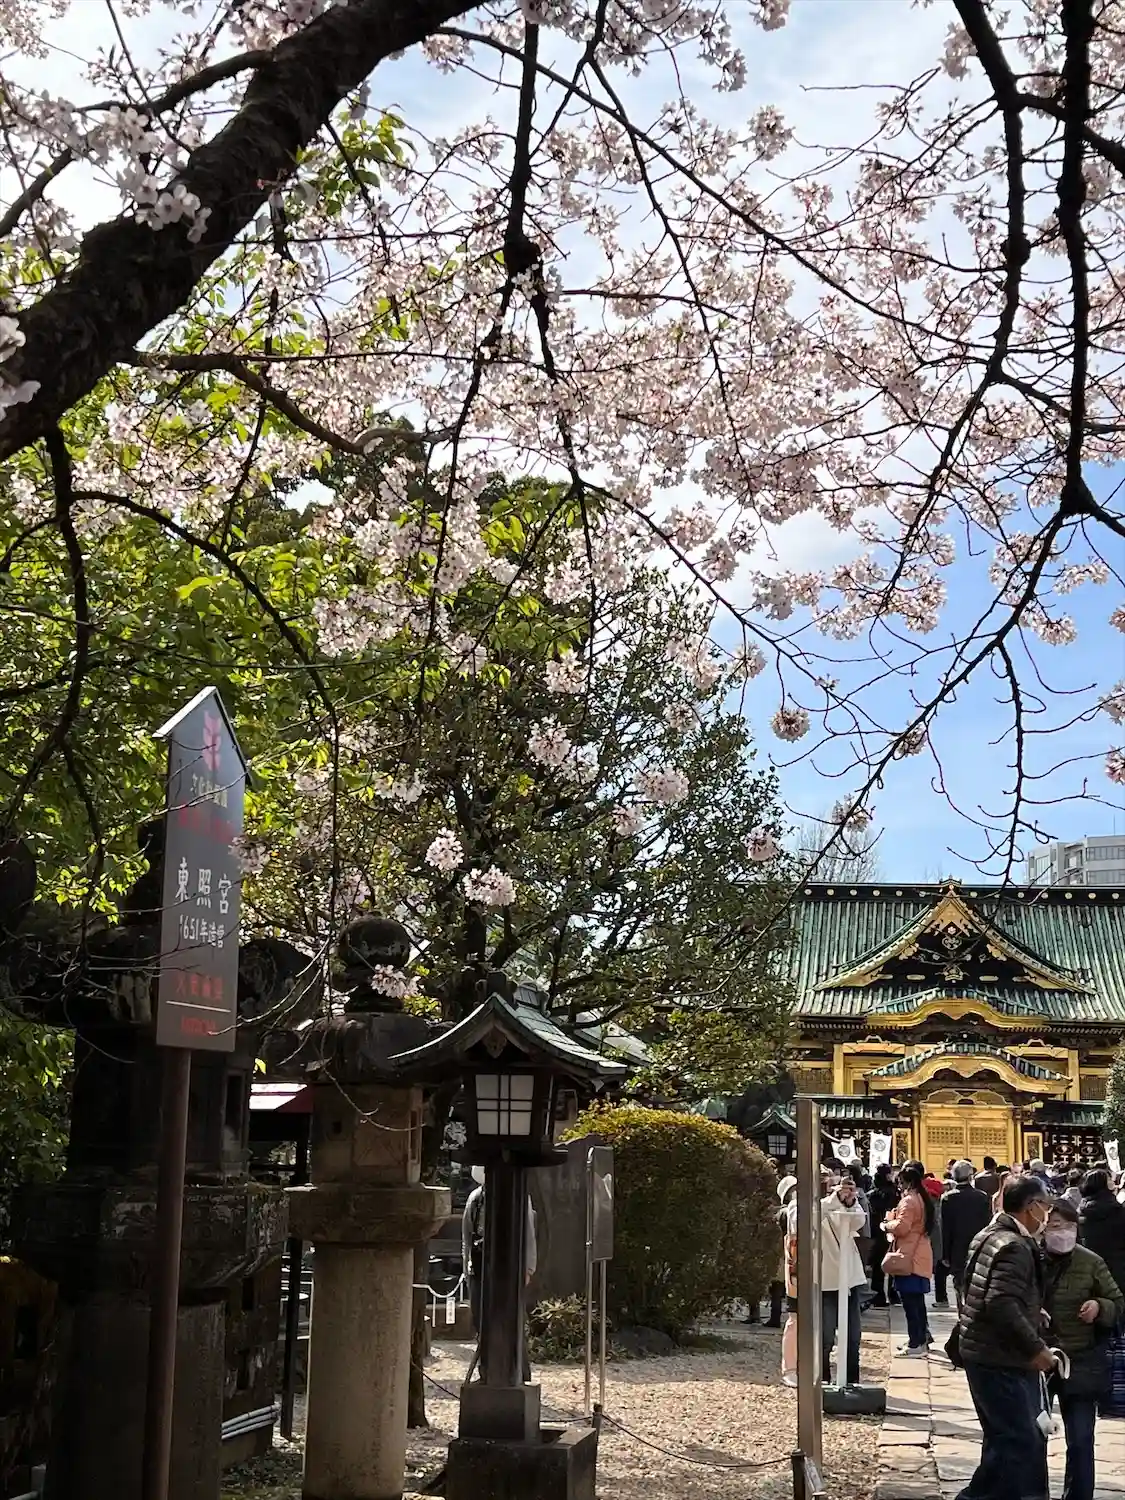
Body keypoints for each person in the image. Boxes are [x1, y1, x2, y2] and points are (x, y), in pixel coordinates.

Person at [956, 1175, 1056, 1500]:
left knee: (1002, 1440)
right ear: (1032, 1206)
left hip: (982, 1351)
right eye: (1046, 1206)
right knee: (1018, 1441)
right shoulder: (1014, 1245)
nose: (1048, 1214)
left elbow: (984, 1288)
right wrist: (1035, 1347)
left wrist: (1031, 1310)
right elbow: (999, 1301)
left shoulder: (989, 1234)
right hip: (1000, 1358)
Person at [1042, 1198, 1123, 1500]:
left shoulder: (1091, 1262)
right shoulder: (1028, 1257)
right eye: (1055, 1226)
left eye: (1069, 1227)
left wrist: (1099, 1307)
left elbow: (1118, 1302)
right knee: (1031, 1438)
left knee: (1080, 1440)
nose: (1062, 1233)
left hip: (1081, 1361)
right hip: (1037, 1360)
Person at [461, 1165, 538, 1380]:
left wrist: (528, 1267)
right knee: (482, 1322)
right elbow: (467, 1238)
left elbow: (528, 1233)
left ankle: (518, 1372)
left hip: (508, 1267)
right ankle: (487, 1372)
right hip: (479, 1267)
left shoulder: (518, 1197)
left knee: (511, 1321)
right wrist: (467, 1268)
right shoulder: (475, 1199)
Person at [819, 1172, 868, 1386]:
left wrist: (849, 1202)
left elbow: (858, 1221)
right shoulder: (814, 1206)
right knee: (825, 1335)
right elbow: (812, 1216)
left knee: (852, 1335)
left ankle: (851, 1379)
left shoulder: (841, 1205)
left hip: (849, 1278)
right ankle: (822, 1378)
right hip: (826, 1279)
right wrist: (835, 1199)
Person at [883, 1162, 935, 1356]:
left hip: (908, 1254)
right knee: (917, 1303)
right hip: (920, 1252)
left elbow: (902, 1227)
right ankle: (920, 1340)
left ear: (908, 1182)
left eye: (901, 1182)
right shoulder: (922, 1198)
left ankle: (915, 1343)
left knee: (910, 1304)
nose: (899, 1186)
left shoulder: (909, 1201)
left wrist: (887, 1225)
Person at [941, 1159, 992, 1313]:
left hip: (957, 1248)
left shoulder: (948, 1198)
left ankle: (962, 1314)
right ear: (971, 1176)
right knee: (978, 1284)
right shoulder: (982, 1197)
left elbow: (946, 1228)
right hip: (979, 1247)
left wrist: (945, 1254)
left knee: (959, 1285)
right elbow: (987, 1225)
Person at [1078, 1169, 1125, 1295]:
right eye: (1109, 1179)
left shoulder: (1082, 1209)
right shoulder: (1115, 1210)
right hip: (1117, 1265)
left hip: (1089, 1266)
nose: (1113, 1181)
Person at [868, 1163, 900, 1308]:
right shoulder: (895, 1193)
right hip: (892, 1230)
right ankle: (893, 1293)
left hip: (877, 1232)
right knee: (893, 1263)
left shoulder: (873, 1194)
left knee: (878, 1266)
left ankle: (878, 1294)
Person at [778, 1174, 799, 1385]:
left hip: (798, 1270)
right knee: (795, 1319)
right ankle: (790, 1367)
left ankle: (795, 1366)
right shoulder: (789, 1211)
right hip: (796, 1270)